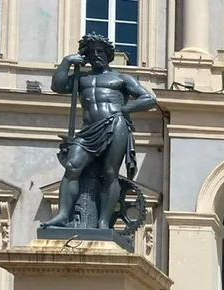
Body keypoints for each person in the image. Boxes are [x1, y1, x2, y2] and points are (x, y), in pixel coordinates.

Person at [42, 33, 157, 231]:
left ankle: (104, 221)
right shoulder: (81, 79)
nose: (96, 55)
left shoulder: (121, 78)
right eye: (92, 51)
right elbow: (57, 86)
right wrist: (67, 61)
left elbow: (149, 99)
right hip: (88, 130)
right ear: (85, 55)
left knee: (110, 172)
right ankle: (62, 215)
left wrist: (124, 110)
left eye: (101, 51)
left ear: (108, 54)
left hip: (115, 125)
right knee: (72, 166)